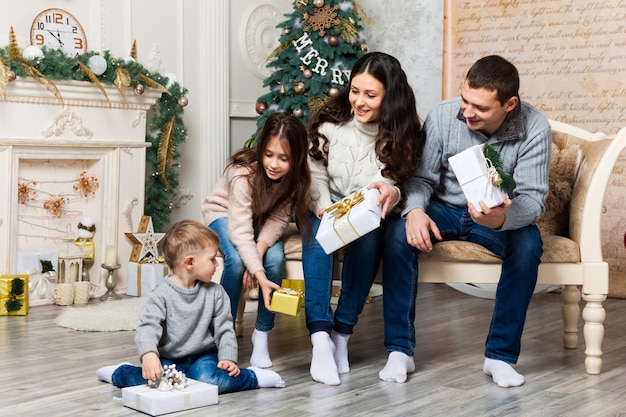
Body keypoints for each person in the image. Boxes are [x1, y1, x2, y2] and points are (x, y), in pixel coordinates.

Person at [390, 55, 551, 387]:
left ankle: (500, 356)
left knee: (529, 244)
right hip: (443, 207)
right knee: (396, 233)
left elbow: (533, 200)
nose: (467, 111)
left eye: (480, 107)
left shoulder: (536, 128)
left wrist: (500, 219)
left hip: (497, 218)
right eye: (465, 100)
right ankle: (399, 350)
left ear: (510, 104)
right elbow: (420, 179)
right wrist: (416, 211)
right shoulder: (443, 116)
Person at [302, 52, 425, 385]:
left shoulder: (402, 134)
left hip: (365, 212)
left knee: (369, 234)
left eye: (370, 95)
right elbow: (314, 170)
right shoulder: (330, 121)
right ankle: (320, 338)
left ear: (391, 97)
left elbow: (398, 179)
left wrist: (386, 191)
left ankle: (342, 333)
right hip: (322, 205)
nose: (359, 101)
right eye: (355, 90)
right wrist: (324, 206)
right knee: (316, 239)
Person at [95, 219, 285, 393]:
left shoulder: (216, 293)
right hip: (169, 357)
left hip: (203, 357)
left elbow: (225, 329)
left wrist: (228, 358)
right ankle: (118, 373)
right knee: (156, 382)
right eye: (212, 259)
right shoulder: (161, 294)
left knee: (212, 382)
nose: (216, 265)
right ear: (190, 262)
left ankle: (253, 377)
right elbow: (148, 327)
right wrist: (149, 355)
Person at [201, 112, 310, 368]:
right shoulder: (242, 175)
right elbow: (239, 230)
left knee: (274, 258)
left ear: (296, 159)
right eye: (269, 154)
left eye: (284, 158)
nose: (274, 164)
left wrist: (260, 252)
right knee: (238, 263)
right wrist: (257, 274)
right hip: (225, 213)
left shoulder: (294, 181)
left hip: (260, 221)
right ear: (261, 149)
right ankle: (221, 333)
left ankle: (261, 335)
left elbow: (278, 221)